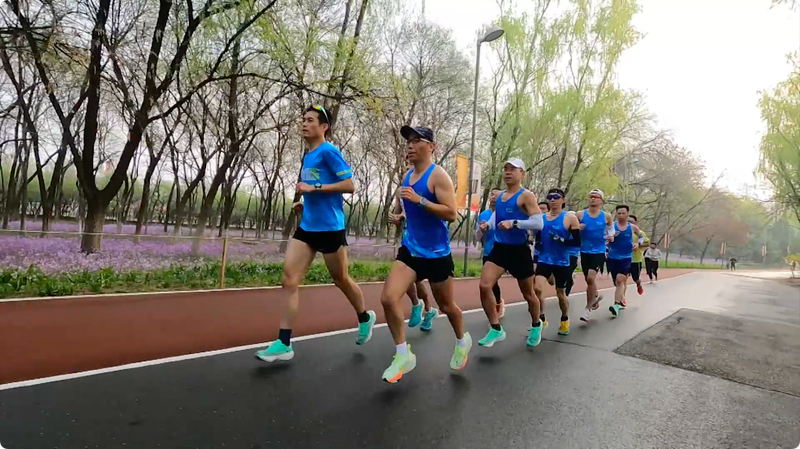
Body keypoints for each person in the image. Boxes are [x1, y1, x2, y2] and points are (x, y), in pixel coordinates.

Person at [256, 106, 376, 362]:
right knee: (289, 279)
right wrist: (305, 203)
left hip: (330, 229)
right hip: (308, 227)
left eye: (310, 120)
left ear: (324, 127)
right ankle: (284, 342)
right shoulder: (308, 156)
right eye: (303, 120)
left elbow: (350, 185)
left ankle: (365, 316)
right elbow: (312, 191)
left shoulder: (328, 152)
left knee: (341, 279)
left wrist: (315, 188)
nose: (304, 124)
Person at [379, 126, 471, 384]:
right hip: (411, 250)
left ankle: (462, 340)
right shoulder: (407, 177)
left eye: (416, 140)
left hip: (437, 254)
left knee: (446, 306)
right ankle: (402, 354)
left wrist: (420, 200)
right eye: (408, 141)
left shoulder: (438, 176)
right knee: (388, 299)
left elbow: (451, 213)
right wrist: (399, 218)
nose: (409, 145)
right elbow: (412, 213)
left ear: (431, 146)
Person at [476, 159, 544, 348]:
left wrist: (515, 223)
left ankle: (536, 324)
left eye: (513, 169)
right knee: (484, 285)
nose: (508, 172)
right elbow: (496, 216)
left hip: (519, 251)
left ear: (522, 173)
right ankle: (496, 328)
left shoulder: (526, 196)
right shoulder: (499, 197)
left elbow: (539, 223)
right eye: (505, 168)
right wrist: (486, 225)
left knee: (529, 294)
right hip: (499, 249)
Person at [390, 180, 437, 331]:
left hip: (427, 241)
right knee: (407, 275)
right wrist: (396, 219)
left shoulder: (429, 185)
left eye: (410, 164)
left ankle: (428, 309)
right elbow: (399, 214)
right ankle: (418, 304)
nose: (407, 167)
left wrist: (406, 214)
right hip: (407, 240)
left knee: (418, 280)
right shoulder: (399, 191)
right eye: (406, 164)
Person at [534, 188, 581, 336]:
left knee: (560, 293)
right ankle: (541, 317)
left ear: (563, 200)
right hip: (544, 259)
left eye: (556, 197)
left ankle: (564, 319)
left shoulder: (570, 218)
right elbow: (537, 238)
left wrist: (562, 240)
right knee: (537, 288)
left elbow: (577, 242)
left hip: (561, 261)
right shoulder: (541, 218)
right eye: (550, 197)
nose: (552, 200)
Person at [576, 189, 614, 323]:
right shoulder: (580, 214)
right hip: (584, 250)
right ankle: (594, 296)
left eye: (596, 197)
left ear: (601, 201)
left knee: (591, 278)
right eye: (591, 196)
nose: (593, 199)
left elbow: (611, 228)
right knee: (588, 279)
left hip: (599, 251)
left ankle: (587, 309)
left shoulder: (606, 216)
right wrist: (576, 227)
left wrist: (610, 236)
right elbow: (570, 227)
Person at [607, 205, 644, 316]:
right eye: (619, 213)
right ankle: (620, 299)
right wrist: (609, 238)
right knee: (616, 281)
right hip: (612, 257)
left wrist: (638, 243)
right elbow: (603, 237)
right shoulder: (611, 226)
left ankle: (616, 304)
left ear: (627, 214)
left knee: (620, 280)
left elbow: (641, 237)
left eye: (623, 213)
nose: (621, 215)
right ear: (616, 214)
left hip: (626, 257)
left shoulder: (632, 227)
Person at [475, 188, 506, 318]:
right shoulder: (483, 215)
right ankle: (498, 303)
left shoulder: (506, 213)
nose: (493, 197)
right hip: (489, 252)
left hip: (505, 252)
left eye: (497, 196)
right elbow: (477, 236)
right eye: (492, 195)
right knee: (491, 283)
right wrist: (482, 230)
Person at [627, 214, 649, 296]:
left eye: (631, 222)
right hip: (624, 258)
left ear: (635, 223)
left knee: (635, 278)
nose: (629, 223)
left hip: (635, 260)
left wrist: (638, 245)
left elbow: (647, 243)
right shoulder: (621, 231)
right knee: (622, 279)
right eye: (627, 221)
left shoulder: (640, 233)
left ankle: (638, 284)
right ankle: (620, 299)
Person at [564, 210, 580, 296]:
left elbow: (578, 242)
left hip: (573, 255)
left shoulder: (578, 230)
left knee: (568, 273)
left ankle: (566, 293)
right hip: (561, 254)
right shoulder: (563, 229)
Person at [532, 201, 549, 272]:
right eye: (539, 209)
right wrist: (530, 236)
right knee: (535, 269)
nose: (541, 211)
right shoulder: (535, 222)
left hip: (551, 253)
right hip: (538, 251)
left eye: (543, 209)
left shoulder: (552, 222)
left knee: (551, 280)